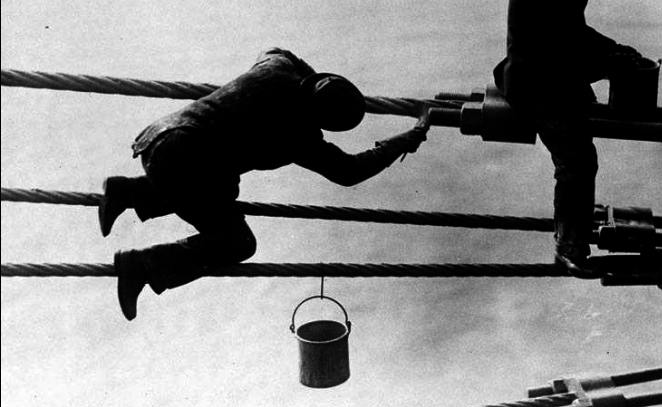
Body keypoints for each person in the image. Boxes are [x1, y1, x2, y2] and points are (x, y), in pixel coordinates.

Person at [99, 47, 429, 320]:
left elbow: (277, 49)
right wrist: (408, 138)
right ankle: (141, 265)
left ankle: (127, 192)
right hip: (183, 165)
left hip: (158, 140)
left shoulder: (278, 68)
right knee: (237, 242)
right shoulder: (300, 136)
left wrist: (307, 77)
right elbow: (350, 171)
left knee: (214, 188)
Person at [493, 0, 643, 278]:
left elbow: (572, 32)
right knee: (577, 161)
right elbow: (555, 48)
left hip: (545, 73)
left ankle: (575, 219)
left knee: (582, 156)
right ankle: (568, 246)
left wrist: (613, 51)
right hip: (536, 82)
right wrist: (609, 63)